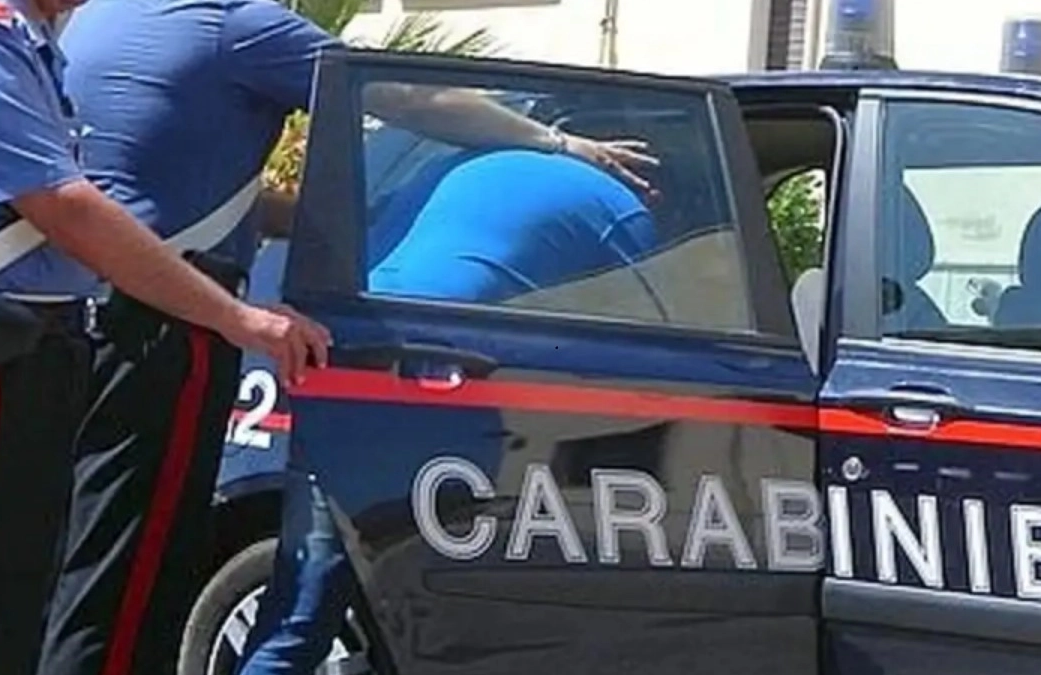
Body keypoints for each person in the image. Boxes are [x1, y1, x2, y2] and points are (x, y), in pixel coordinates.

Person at [37, 3, 658, 675]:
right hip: (170, 322)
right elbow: (412, 95)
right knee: (141, 570)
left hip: (81, 311)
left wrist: (342, 218)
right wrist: (564, 145)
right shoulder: (234, 21)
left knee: (83, 561)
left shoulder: (101, 18)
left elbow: (185, 192)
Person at [0, 1, 330, 675]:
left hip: (29, 346)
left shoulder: (36, 36)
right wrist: (239, 317)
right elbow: (64, 204)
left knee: (10, 597)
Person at [238, 146, 661, 675]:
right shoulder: (621, 208)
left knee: (303, 606)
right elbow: (656, 337)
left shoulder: (449, 163)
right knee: (459, 609)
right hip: (451, 392)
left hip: (352, 364)